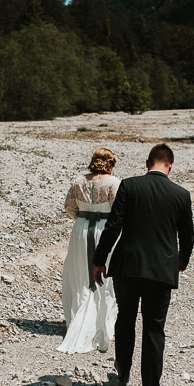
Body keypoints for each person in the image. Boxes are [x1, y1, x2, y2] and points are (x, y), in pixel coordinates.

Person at [93, 143, 194, 386]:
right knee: (153, 328)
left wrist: (99, 260)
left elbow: (113, 226)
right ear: (170, 166)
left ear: (146, 162)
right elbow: (187, 235)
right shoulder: (181, 194)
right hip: (161, 271)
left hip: (127, 266)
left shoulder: (129, 186)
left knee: (125, 318)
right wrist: (181, 261)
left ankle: (123, 372)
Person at [57, 148, 121, 354]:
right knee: (106, 274)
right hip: (104, 229)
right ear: (111, 163)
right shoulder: (114, 183)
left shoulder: (78, 181)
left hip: (82, 230)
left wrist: (83, 221)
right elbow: (119, 211)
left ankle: (78, 314)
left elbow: (69, 207)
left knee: (81, 273)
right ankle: (103, 320)